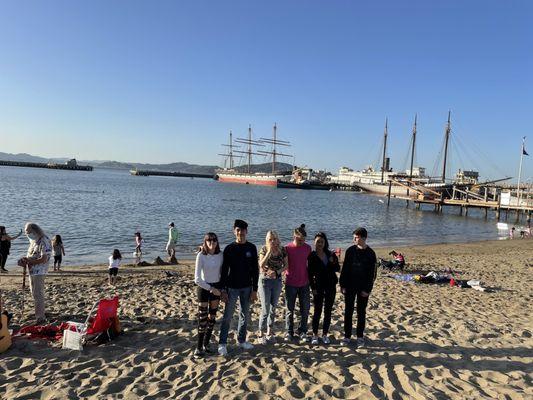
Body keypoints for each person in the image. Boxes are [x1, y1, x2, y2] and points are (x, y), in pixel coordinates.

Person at [218, 219, 259, 357]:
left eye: (242, 230)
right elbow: (224, 271)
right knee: (227, 316)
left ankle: (241, 340)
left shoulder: (252, 248)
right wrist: (223, 290)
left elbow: (255, 270)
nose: (240, 232)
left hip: (247, 287)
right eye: (238, 230)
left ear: (246, 231)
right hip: (232, 288)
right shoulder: (229, 249)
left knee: (244, 315)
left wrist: (255, 289)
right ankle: (222, 343)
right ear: (234, 231)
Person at [339, 227, 377, 348]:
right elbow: (344, 269)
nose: (354, 239)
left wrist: (368, 290)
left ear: (363, 238)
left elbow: (373, 274)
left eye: (356, 237)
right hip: (350, 286)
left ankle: (360, 337)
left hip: (363, 287)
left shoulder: (371, 253)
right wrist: (342, 285)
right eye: (354, 237)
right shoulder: (350, 250)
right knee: (348, 312)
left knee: (361, 312)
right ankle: (347, 336)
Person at [193, 232, 223, 358]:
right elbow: (197, 279)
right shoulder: (201, 255)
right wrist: (211, 289)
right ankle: (199, 347)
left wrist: (221, 289)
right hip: (204, 288)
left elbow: (223, 273)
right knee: (203, 319)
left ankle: (207, 344)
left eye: (214, 240)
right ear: (205, 242)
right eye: (209, 241)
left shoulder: (221, 255)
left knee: (212, 318)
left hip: (217, 287)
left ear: (217, 242)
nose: (212, 243)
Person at [308, 232, 340, 345]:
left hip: (330, 286)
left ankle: (325, 334)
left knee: (328, 311)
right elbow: (309, 275)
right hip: (318, 287)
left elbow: (337, 268)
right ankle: (315, 335)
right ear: (314, 243)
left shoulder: (330, 254)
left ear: (325, 243)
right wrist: (313, 288)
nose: (320, 244)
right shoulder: (311, 256)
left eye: (322, 242)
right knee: (317, 311)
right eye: (318, 242)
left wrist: (333, 262)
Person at [17, 222, 52, 324]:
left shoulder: (44, 240)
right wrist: (25, 260)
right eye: (26, 232)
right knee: (35, 293)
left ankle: (40, 317)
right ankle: (39, 314)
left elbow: (44, 259)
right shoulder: (34, 240)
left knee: (38, 294)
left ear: (35, 231)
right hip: (32, 271)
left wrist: (30, 261)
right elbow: (33, 255)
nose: (27, 234)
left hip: (39, 271)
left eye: (29, 232)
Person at [257, 230, 288, 344]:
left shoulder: (282, 250)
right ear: (267, 240)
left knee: (273, 307)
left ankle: (270, 331)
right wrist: (269, 251)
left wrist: (277, 272)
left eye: (274, 239)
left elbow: (286, 265)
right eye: (270, 239)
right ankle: (260, 333)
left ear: (277, 239)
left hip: (277, 281)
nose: (273, 241)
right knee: (265, 309)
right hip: (265, 281)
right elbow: (261, 264)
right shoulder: (264, 249)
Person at [284, 224, 312, 342]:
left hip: (304, 283)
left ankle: (302, 331)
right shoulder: (287, 248)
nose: (301, 242)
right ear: (294, 236)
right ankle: (289, 332)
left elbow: (310, 265)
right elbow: (282, 264)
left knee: (305, 309)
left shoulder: (308, 248)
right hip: (290, 283)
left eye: (303, 240)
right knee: (289, 310)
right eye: (298, 239)